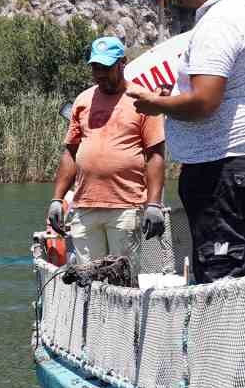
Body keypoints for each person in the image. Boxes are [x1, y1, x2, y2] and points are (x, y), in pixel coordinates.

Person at [126, 0, 245, 283]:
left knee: (220, 274)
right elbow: (215, 90)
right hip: (234, 163)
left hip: (222, 167)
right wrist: (175, 94)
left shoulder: (218, 23)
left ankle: (229, 340)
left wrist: (155, 103)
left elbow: (204, 103)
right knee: (226, 268)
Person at [45, 35, 167, 264]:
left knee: (122, 278)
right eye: (95, 68)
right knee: (89, 280)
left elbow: (156, 155)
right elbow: (71, 152)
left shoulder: (143, 100)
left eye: (106, 68)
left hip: (125, 208)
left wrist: (153, 204)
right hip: (85, 208)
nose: (100, 74)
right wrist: (57, 199)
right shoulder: (82, 101)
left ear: (123, 63)